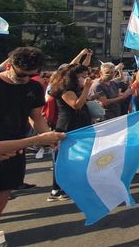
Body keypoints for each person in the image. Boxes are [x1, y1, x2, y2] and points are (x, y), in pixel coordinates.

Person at [0, 47, 54, 247]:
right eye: (22, 74)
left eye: (33, 75)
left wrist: (49, 138)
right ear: (8, 64)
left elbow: (36, 117)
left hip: (13, 156)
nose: (26, 79)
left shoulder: (34, 87)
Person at [47, 64, 94, 201]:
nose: (85, 79)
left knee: (76, 158)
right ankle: (56, 189)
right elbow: (76, 105)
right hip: (68, 127)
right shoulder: (65, 90)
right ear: (73, 77)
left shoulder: (74, 89)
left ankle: (68, 186)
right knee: (63, 159)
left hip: (78, 126)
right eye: (82, 77)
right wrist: (86, 88)